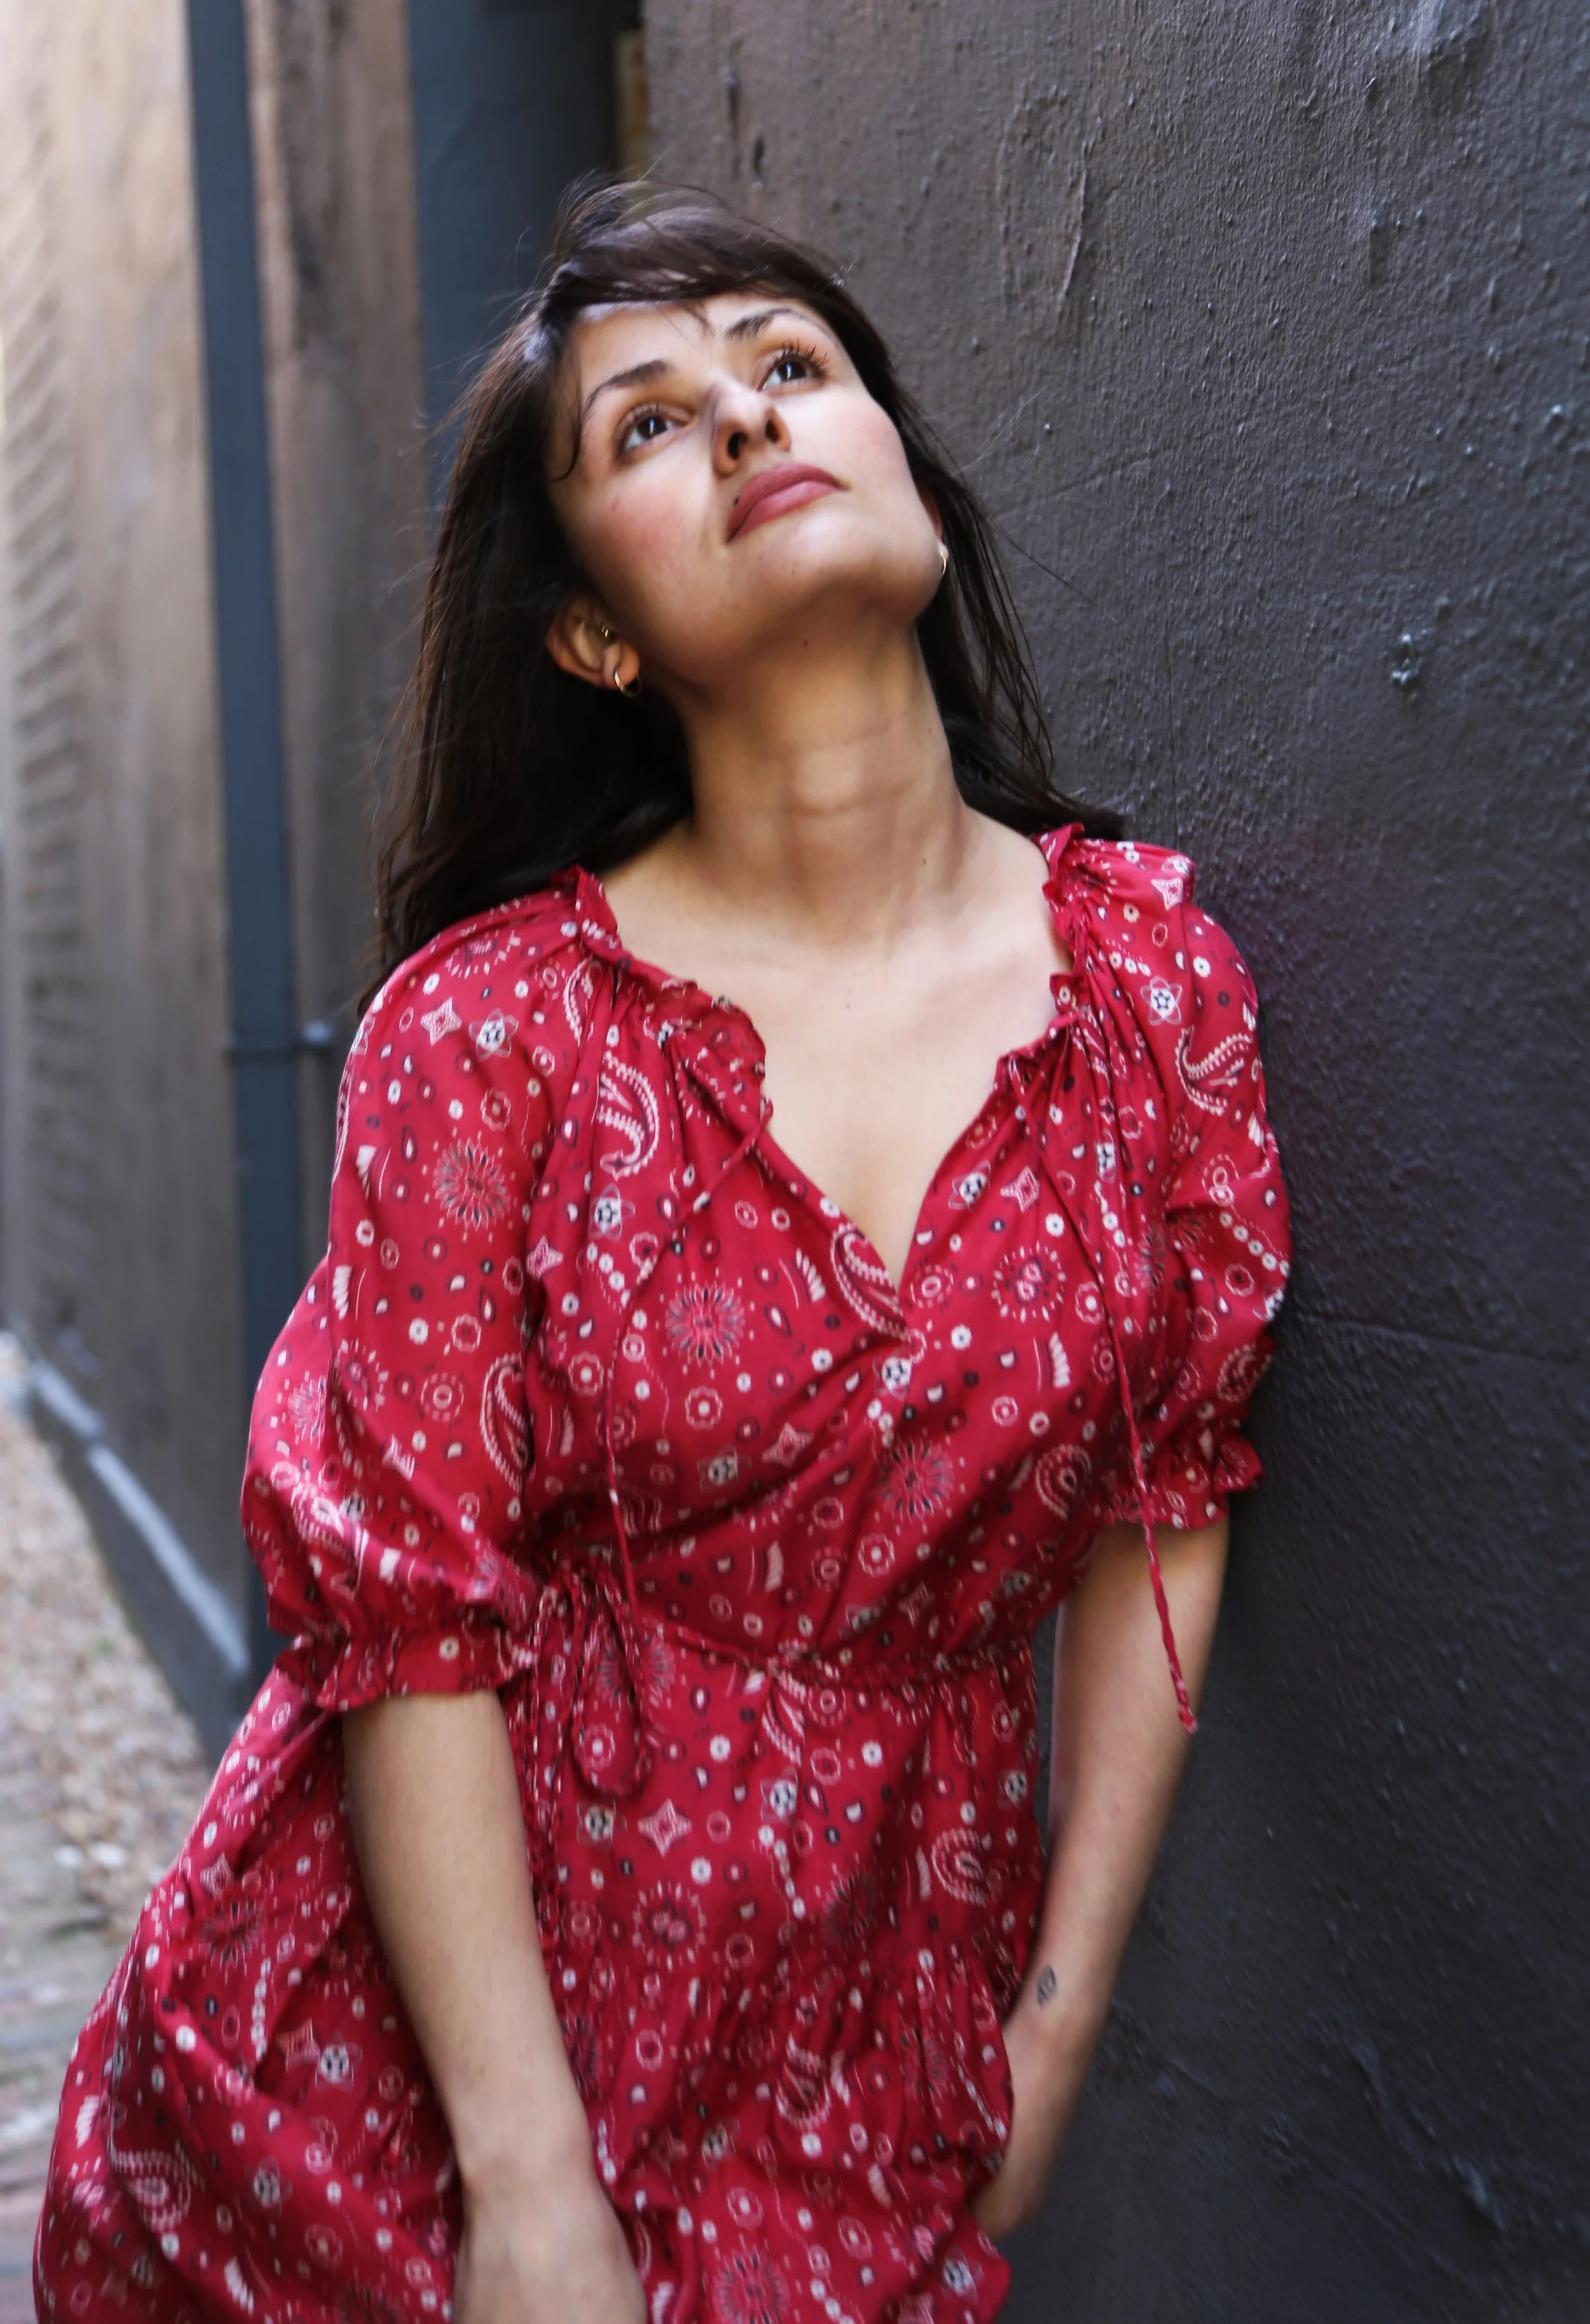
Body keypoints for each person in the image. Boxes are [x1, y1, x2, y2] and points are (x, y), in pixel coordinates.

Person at [36, 183, 1290, 2324]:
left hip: (863, 2043)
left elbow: (1162, 1501)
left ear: (903, 465)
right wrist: (524, 2194)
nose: (739, 415)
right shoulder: (491, 1031)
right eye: (646, 422)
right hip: (399, 2070)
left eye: (788, 364)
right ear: (594, 633)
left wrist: (1057, 2024)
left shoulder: (1147, 982)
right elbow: (409, 1622)